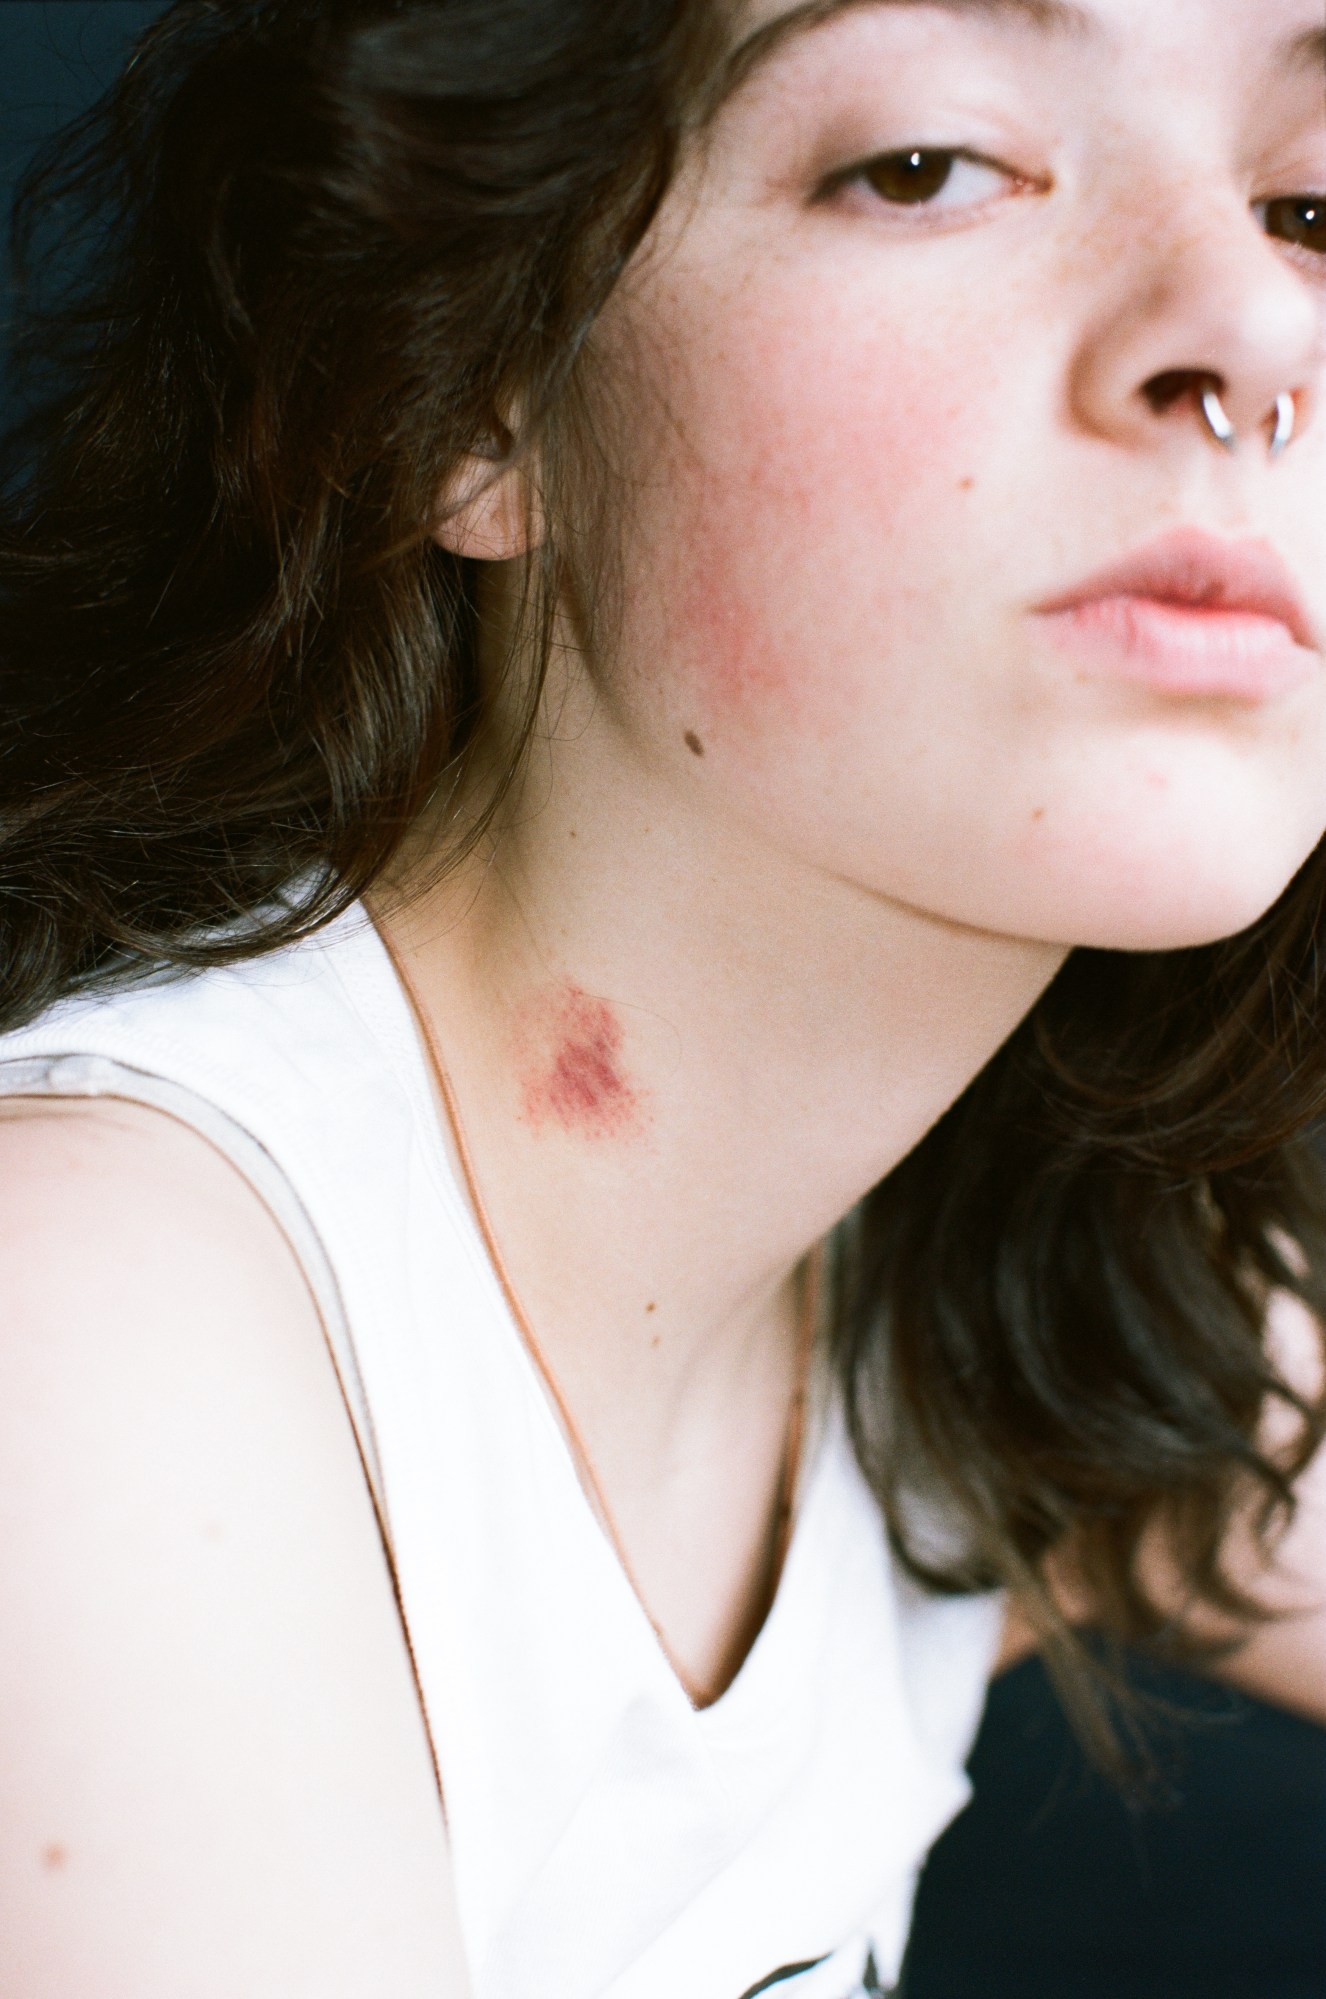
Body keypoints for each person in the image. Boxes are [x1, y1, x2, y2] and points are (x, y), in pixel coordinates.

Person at [0, 0, 1323, 1992]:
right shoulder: (91, 1334)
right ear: (477, 398)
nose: (1250, 327)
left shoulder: (943, 1296)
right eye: (926, 164)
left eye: (1316, 202)